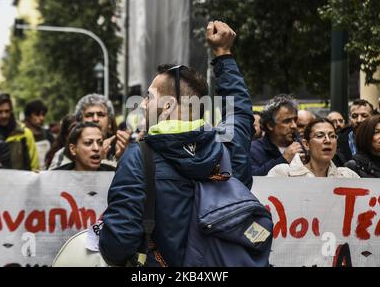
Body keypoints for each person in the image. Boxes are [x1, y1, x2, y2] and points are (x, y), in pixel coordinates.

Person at [99, 21, 255, 266]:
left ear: (169, 106)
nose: (141, 104)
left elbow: (117, 246)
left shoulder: (138, 158)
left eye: (149, 97)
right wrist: (224, 54)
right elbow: (241, 112)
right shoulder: (228, 148)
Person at [49, 94, 130, 170]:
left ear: (109, 123)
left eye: (100, 114)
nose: (95, 119)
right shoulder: (64, 154)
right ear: (79, 124)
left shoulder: (123, 149)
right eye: (89, 115)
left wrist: (124, 158)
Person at [267, 118, 359, 178]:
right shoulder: (282, 174)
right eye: (319, 136)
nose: (328, 140)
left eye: (332, 136)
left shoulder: (348, 176)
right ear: (306, 144)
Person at [250, 94, 303, 176]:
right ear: (270, 125)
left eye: (295, 120)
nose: (294, 126)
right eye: (287, 121)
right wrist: (283, 159)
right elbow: (252, 179)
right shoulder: (254, 150)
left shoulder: (303, 146)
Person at [0, 94, 39, 171]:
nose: (4, 115)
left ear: (11, 111)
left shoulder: (24, 133)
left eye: (7, 111)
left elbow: (34, 165)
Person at [24, 100, 55, 170]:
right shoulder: (21, 136)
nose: (41, 118)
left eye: (43, 115)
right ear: (28, 116)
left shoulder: (48, 136)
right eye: (37, 114)